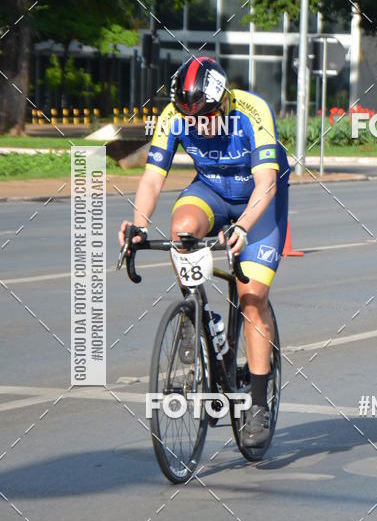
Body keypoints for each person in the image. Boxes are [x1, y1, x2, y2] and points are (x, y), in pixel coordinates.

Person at [119, 56, 289, 445]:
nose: (196, 124)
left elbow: (266, 183)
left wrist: (244, 227)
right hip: (211, 191)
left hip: (259, 202)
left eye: (205, 116)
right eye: (188, 117)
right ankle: (201, 316)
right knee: (182, 232)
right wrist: (139, 227)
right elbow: (151, 178)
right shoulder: (173, 115)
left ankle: (258, 405)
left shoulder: (252, 110)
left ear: (224, 102)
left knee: (251, 299)